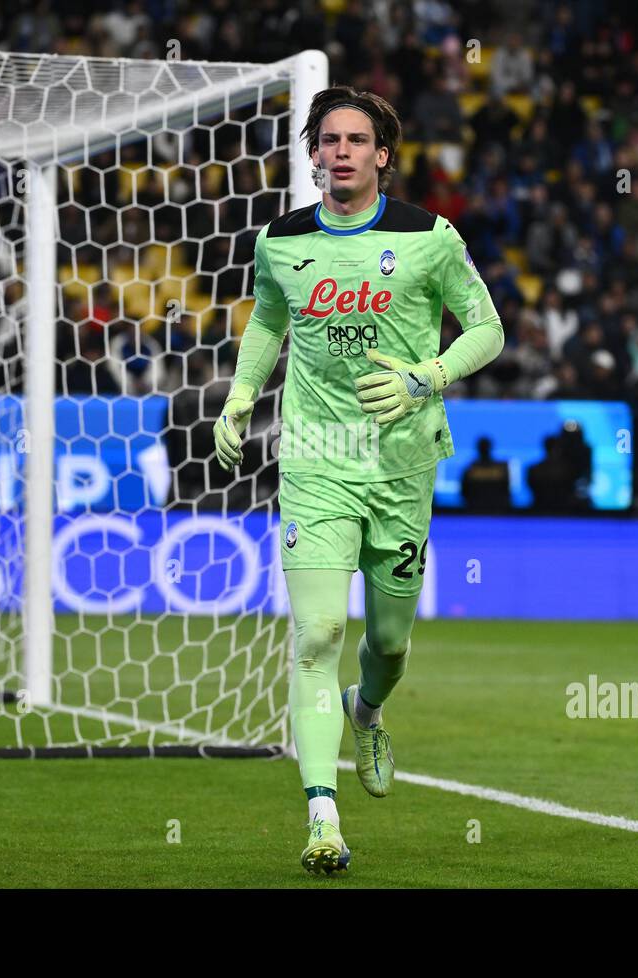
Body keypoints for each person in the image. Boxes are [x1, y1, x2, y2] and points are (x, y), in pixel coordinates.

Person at [211, 86, 504, 875]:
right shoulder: (280, 242)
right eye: (327, 139)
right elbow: (269, 320)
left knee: (387, 641)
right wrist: (242, 397)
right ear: (312, 155)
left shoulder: (430, 239)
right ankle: (321, 817)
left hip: (402, 463)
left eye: (355, 140)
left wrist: (425, 378)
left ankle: (366, 710)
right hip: (313, 460)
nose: (339, 151)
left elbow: (489, 328)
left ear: (381, 155)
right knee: (317, 637)